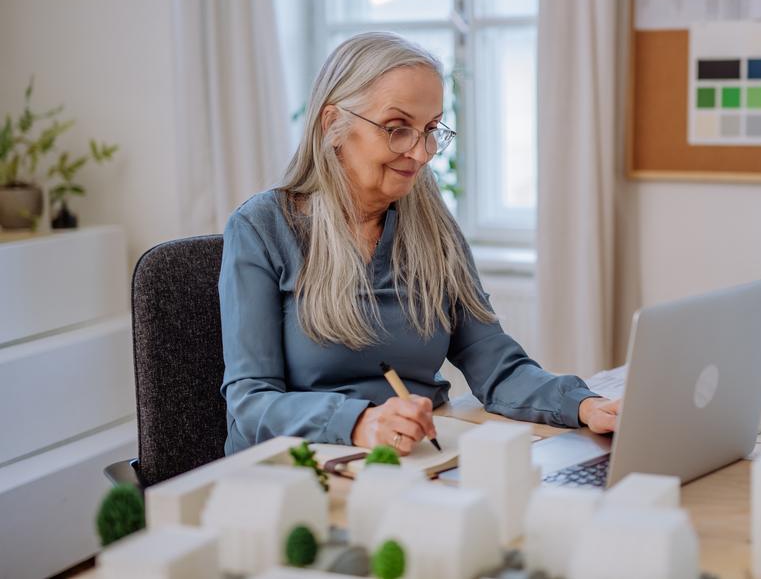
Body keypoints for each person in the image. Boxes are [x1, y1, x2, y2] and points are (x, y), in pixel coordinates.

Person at [219, 32, 620, 456]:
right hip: (295, 471)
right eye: (397, 129)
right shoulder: (261, 227)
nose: (422, 152)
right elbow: (251, 403)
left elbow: (495, 366)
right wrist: (360, 422)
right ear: (332, 124)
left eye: (430, 129)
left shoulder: (432, 226)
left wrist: (585, 405)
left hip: (410, 461)